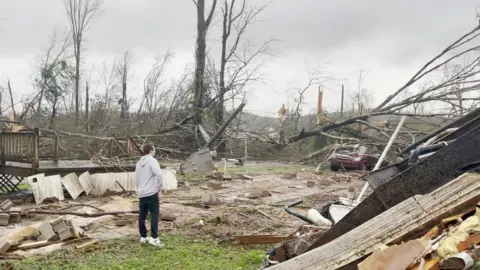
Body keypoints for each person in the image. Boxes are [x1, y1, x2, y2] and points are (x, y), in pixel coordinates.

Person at [135, 143, 164, 247]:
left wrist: (138, 189)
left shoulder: (138, 163)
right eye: (154, 150)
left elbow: (137, 179)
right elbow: (159, 174)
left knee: (142, 216)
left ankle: (143, 237)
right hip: (151, 192)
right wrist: (159, 188)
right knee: (154, 214)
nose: (155, 152)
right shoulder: (152, 160)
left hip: (141, 193)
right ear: (151, 151)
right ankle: (154, 237)